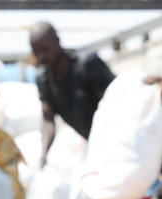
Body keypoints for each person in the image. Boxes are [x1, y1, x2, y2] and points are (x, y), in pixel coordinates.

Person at [30, 21, 115, 164]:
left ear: (57, 41)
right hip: (95, 146)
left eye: (45, 50)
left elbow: (116, 103)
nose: (41, 57)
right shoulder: (43, 79)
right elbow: (47, 118)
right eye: (36, 53)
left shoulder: (87, 64)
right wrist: (44, 153)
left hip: (116, 139)